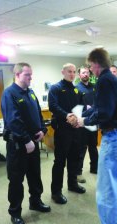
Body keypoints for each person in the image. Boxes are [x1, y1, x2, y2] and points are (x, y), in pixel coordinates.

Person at [77, 48, 117, 224]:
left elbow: (104, 114)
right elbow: (102, 107)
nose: (90, 70)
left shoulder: (103, 81)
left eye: (90, 66)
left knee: (107, 186)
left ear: (95, 63)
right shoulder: (116, 80)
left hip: (115, 137)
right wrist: (85, 117)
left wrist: (83, 122)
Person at [1, 62, 51, 224]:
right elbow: (13, 121)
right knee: (16, 180)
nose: (31, 77)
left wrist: (43, 130)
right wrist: (26, 140)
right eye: (27, 75)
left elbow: (37, 113)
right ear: (17, 75)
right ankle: (15, 212)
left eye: (31, 74)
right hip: (18, 144)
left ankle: (35, 202)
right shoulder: (10, 94)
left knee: (35, 176)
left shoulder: (30, 92)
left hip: (33, 142)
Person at [48, 63, 86, 205]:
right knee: (59, 162)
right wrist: (67, 115)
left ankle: (72, 184)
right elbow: (53, 106)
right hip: (63, 130)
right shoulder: (56, 88)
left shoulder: (76, 90)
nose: (72, 74)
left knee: (74, 159)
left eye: (74, 72)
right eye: (69, 71)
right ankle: (56, 192)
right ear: (62, 72)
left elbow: (80, 107)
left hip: (75, 129)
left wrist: (78, 119)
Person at [76, 66, 99, 183]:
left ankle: (95, 168)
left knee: (93, 146)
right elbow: (75, 108)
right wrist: (86, 109)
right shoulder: (76, 89)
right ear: (79, 75)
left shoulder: (94, 87)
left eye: (87, 73)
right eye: (83, 73)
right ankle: (78, 172)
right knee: (82, 148)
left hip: (93, 121)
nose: (86, 74)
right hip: (82, 122)